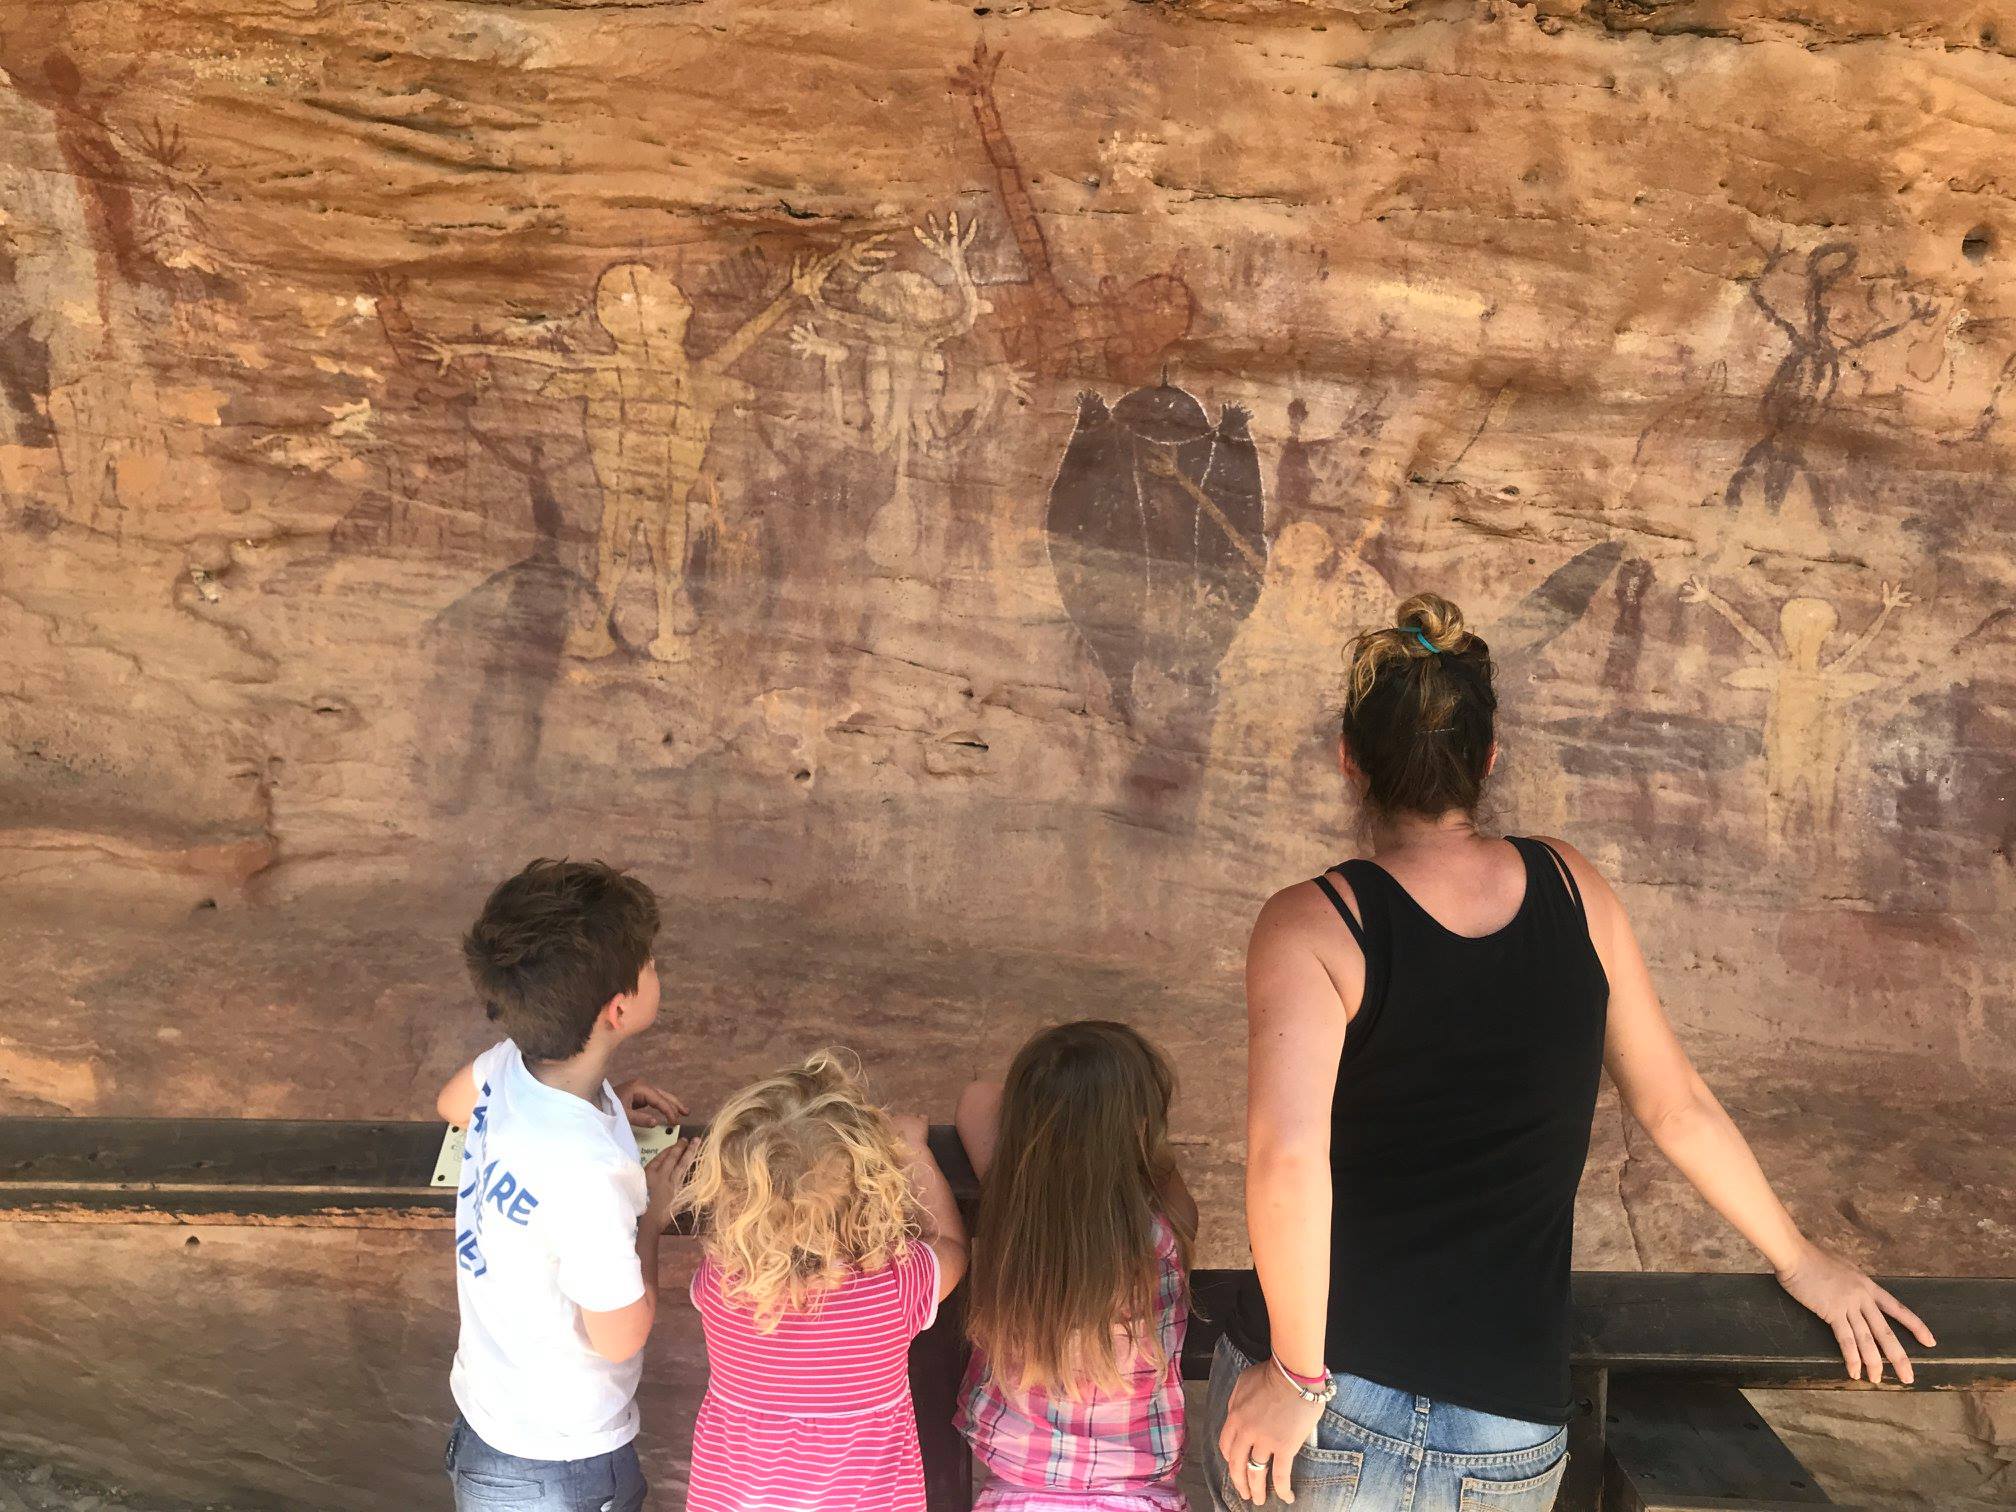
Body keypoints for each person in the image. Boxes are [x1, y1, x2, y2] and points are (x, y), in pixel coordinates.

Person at [1205, 594, 1937, 1511]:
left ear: (1349, 758)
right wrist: (1799, 1260)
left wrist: (1296, 1376)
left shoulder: (1314, 924)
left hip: (1336, 1402)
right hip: (1507, 1434)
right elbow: (1675, 1106)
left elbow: (1288, 1160)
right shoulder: (1572, 888)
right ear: (1488, 758)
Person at [434, 858, 697, 1512]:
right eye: (650, 964)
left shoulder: (509, 1063)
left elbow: (452, 1104)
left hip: (488, 1421)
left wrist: (604, 1100)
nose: (656, 968)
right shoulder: (588, 1174)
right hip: (562, 1466)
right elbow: (620, 1335)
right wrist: (651, 1218)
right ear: (618, 1009)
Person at [679, 1050, 968, 1512]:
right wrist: (913, 1149)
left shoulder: (721, 1283)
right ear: (872, 1193)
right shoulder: (896, 1286)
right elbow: (951, 1246)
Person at [955, 1021, 1200, 1511]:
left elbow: (976, 1099)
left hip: (1015, 1481)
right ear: (1142, 1129)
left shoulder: (1014, 1214)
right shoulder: (1165, 1230)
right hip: (1136, 1485)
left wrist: (1049, 1101)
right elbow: (1158, 1164)